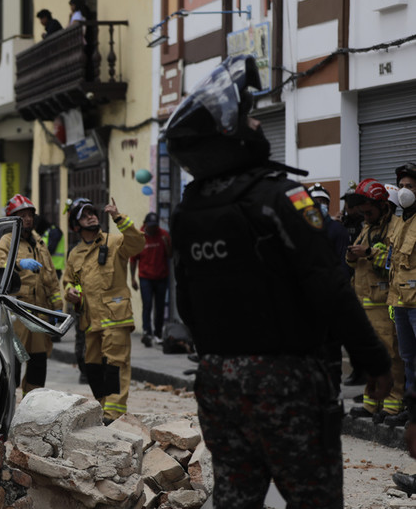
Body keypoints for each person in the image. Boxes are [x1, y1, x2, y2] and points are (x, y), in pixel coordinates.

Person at [164, 54, 391, 509]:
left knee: (235, 496)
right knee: (314, 499)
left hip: (217, 379)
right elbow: (326, 283)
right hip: (285, 378)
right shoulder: (280, 197)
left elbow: (186, 302)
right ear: (227, 138)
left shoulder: (189, 212)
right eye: (248, 118)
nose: (255, 125)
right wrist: (373, 360)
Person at [62, 198, 144, 422]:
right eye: (84, 214)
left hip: (115, 318)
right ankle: (103, 406)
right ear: (76, 226)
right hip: (91, 323)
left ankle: (113, 414)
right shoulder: (75, 254)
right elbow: (70, 281)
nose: (92, 216)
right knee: (93, 368)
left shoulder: (115, 242)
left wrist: (119, 217)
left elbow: (138, 244)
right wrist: (70, 292)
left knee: (115, 366)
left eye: (92, 212)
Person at [343, 179, 407, 426]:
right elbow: (355, 263)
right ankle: (372, 403)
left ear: (384, 206)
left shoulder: (396, 228)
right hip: (365, 304)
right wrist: (351, 256)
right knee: (371, 357)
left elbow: (394, 262)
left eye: (369, 212)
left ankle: (392, 403)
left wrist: (369, 253)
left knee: (391, 356)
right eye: (362, 213)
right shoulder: (367, 227)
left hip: (384, 304)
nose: (365, 217)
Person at [0, 194, 62, 395]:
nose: (28, 219)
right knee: (13, 362)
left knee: (38, 364)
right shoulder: (7, 240)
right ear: (12, 218)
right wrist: (18, 264)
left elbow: (50, 276)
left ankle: (32, 407)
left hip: (38, 313)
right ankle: (8, 409)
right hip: (16, 314)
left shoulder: (39, 241)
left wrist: (57, 307)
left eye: (30, 215)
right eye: (22, 215)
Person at [390, 162, 416, 395]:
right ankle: (412, 411)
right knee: (407, 357)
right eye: (400, 185)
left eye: (409, 186)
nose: (404, 190)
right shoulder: (401, 223)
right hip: (400, 302)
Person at [129, 212, 171, 348]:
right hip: (145, 277)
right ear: (145, 224)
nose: (153, 229)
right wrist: (132, 279)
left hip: (161, 277)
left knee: (159, 307)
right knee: (147, 305)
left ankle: (158, 334)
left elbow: (170, 255)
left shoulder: (164, 235)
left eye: (155, 226)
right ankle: (147, 332)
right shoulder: (139, 238)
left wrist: (166, 245)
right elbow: (133, 260)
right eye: (151, 226)